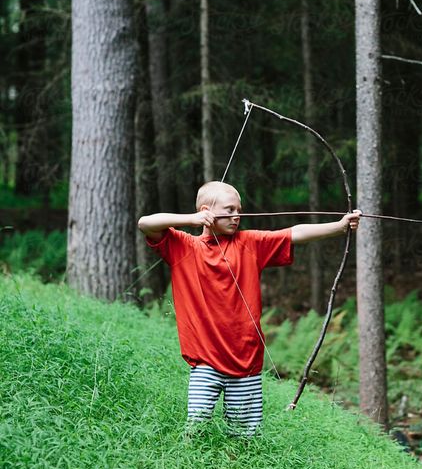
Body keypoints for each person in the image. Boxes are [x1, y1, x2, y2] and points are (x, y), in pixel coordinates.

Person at [138, 180, 361, 436]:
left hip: (246, 362)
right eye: (229, 210)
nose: (237, 216)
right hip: (204, 362)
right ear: (206, 210)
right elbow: (145, 223)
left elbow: (294, 233)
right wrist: (192, 218)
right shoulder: (184, 247)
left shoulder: (250, 243)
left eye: (239, 210)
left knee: (245, 436)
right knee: (196, 430)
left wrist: (340, 226)